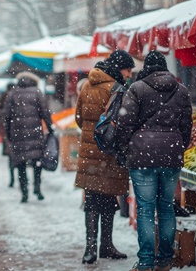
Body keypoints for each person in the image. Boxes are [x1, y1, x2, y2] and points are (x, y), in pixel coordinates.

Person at [115, 51, 192, 271]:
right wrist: (177, 146)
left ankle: (146, 261)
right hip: (171, 156)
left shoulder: (136, 89)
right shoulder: (182, 90)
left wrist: (124, 149)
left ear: (146, 68)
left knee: (146, 209)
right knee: (166, 207)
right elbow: (186, 126)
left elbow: (125, 123)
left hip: (142, 155)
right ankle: (165, 259)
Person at [74, 50, 135, 265]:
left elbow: (79, 118)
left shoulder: (87, 86)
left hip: (90, 151)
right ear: (119, 68)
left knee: (92, 200)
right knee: (108, 198)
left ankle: (90, 249)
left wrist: (92, 132)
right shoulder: (118, 89)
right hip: (109, 153)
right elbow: (124, 123)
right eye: (128, 69)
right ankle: (106, 246)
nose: (129, 74)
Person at [1, 71, 53, 203]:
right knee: (37, 162)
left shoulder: (12, 93)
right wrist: (49, 127)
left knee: (21, 164)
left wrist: (8, 133)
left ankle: (24, 193)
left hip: (17, 134)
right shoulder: (37, 92)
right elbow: (45, 112)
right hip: (35, 132)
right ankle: (37, 187)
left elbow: (6, 116)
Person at [0, 82, 16, 187]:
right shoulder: (19, 96)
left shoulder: (7, 96)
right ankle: (18, 180)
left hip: (12, 131)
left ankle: (13, 179)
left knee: (11, 156)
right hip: (20, 131)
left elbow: (4, 113)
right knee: (19, 157)